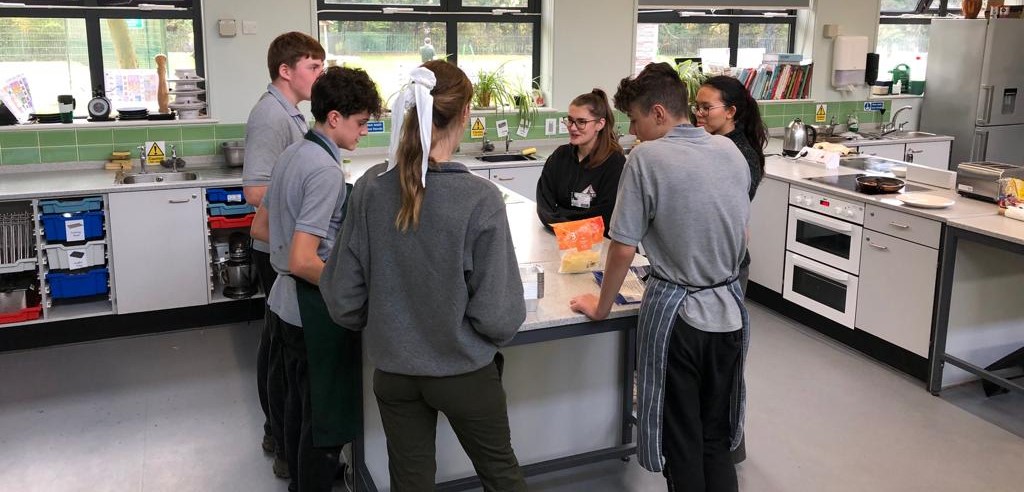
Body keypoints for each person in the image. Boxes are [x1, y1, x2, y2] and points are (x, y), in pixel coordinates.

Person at [320, 60, 528, 492]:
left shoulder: (370, 188)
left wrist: (390, 326)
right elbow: (500, 313)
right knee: (502, 478)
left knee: (410, 483)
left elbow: (343, 296)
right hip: (463, 372)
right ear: (466, 114)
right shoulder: (479, 198)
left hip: (395, 373)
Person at [569, 62, 751, 492]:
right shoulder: (729, 151)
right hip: (730, 314)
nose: (632, 132)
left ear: (657, 113)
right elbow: (741, 236)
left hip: (681, 321)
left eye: (633, 120)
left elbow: (623, 246)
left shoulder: (646, 158)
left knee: (681, 438)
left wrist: (601, 306)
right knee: (715, 437)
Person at [250, 65, 382, 492]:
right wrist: (351, 289)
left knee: (293, 403)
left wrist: (293, 249)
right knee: (323, 420)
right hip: (312, 309)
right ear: (335, 118)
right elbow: (306, 260)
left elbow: (261, 229)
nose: (364, 132)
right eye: (361, 123)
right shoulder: (325, 171)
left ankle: (292, 473)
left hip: (282, 306)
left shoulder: (293, 154)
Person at [241, 30, 325, 480]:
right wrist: (306, 195)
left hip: (282, 243)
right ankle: (278, 433)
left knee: (280, 343)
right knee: (278, 347)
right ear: (286, 71)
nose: (320, 75)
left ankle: (280, 430)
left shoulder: (289, 112)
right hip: (272, 247)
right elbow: (255, 190)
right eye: (313, 67)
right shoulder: (271, 116)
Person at [535, 88, 625, 233]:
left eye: (581, 122)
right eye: (570, 120)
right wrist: (564, 225)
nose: (573, 127)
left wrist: (563, 217)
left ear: (600, 124)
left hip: (598, 244)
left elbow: (604, 215)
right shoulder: (560, 156)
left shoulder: (614, 162)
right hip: (560, 237)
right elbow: (544, 204)